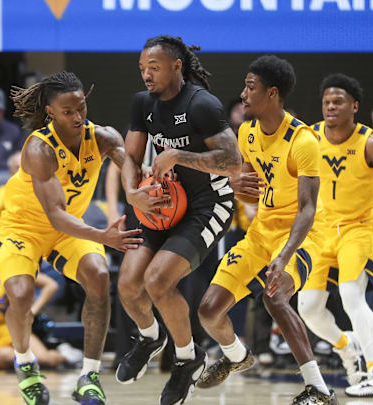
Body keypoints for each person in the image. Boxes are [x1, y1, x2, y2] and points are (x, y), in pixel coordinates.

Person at [194, 55, 337, 404]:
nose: (243, 94)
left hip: (302, 235)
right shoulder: (247, 131)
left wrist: (285, 255)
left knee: (275, 297)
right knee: (208, 311)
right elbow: (247, 188)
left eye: (250, 87)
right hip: (260, 232)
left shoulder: (302, 141)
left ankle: (318, 389)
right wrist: (237, 183)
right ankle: (237, 356)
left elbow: (308, 209)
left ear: (272, 94)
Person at [0, 71, 141, 405]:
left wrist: (139, 191)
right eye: (68, 112)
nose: (78, 117)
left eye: (82, 107)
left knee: (99, 275)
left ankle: (89, 376)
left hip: (68, 230)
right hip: (25, 229)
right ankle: (25, 362)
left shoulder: (103, 137)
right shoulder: (38, 148)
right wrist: (103, 237)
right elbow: (55, 215)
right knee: (20, 294)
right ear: (50, 112)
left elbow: (131, 167)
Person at [116, 35, 241, 405]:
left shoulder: (202, 104)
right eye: (141, 69)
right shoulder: (143, 103)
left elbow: (233, 163)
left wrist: (179, 156)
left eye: (153, 68)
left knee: (157, 281)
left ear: (176, 66)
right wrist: (131, 193)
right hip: (160, 201)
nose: (146, 75)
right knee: (127, 285)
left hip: (207, 205)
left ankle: (187, 360)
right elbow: (130, 158)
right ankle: (151, 335)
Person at [296, 73, 373, 397]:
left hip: (356, 230)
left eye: (338, 101)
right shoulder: (309, 138)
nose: (331, 106)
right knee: (308, 308)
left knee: (351, 295)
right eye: (327, 102)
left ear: (354, 106)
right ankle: (347, 348)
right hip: (318, 233)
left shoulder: (371, 144)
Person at [0, 231, 73, 368]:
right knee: (9, 358)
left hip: (19, 330)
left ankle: (65, 355)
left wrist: (33, 311)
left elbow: (51, 285)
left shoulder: (12, 271)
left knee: (45, 360)